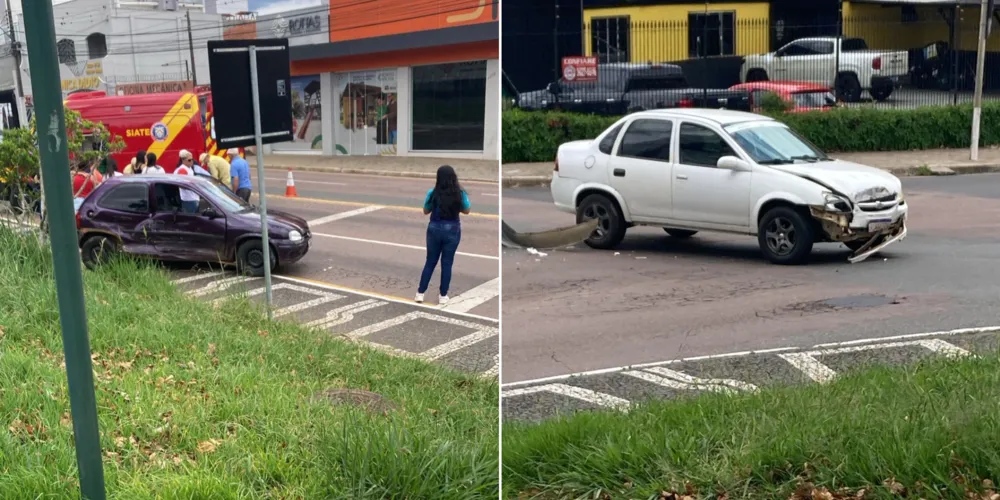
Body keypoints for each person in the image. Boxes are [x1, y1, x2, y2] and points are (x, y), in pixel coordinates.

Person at [415, 165, 471, 305]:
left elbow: (425, 210)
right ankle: (443, 295)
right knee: (447, 263)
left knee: (430, 262)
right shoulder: (460, 193)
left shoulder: (433, 193)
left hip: (434, 228)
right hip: (452, 229)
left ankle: (420, 293)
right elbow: (467, 210)